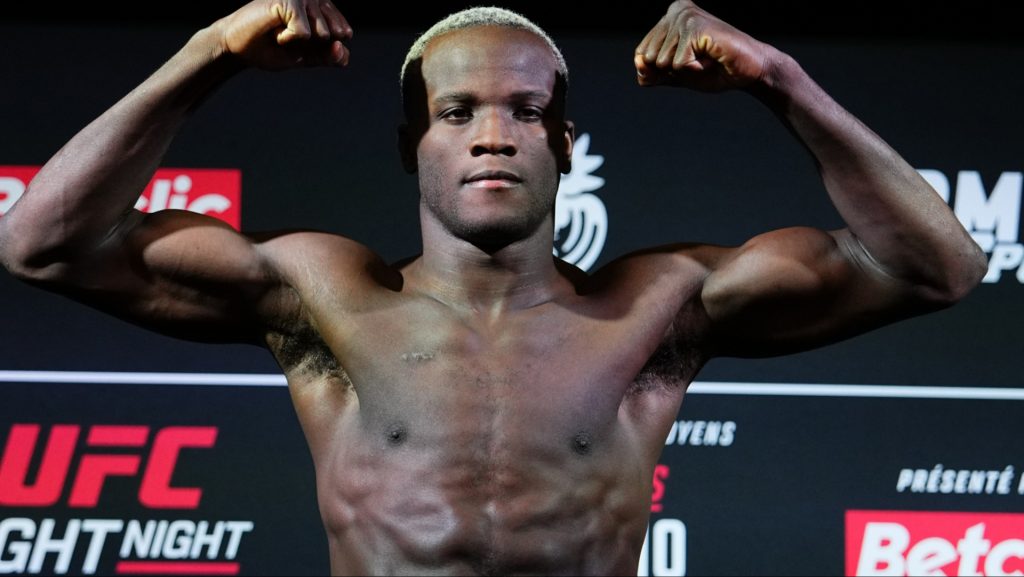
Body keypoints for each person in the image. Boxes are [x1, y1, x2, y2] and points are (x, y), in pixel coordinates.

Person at [0, 0, 987, 574]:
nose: (489, 133)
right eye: (457, 111)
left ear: (562, 145)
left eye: (523, 111)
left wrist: (780, 79)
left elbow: (935, 265)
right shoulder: (325, 296)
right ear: (410, 144)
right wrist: (206, 54)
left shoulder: (655, 304)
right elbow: (40, 243)